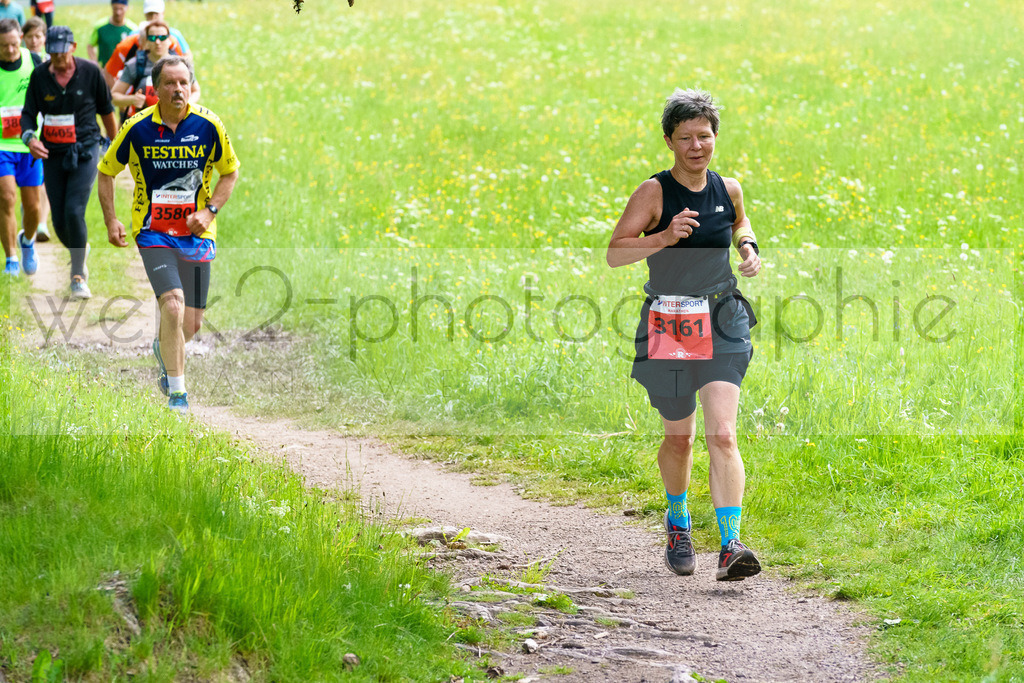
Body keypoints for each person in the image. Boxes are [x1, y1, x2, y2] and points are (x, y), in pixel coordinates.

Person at [606, 88, 763, 582]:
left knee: (723, 432)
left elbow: (740, 220)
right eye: (685, 138)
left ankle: (731, 543)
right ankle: (677, 521)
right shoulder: (653, 193)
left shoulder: (728, 187)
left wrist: (748, 245)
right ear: (670, 142)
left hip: (722, 318)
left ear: (715, 137)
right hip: (670, 320)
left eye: (705, 136)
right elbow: (616, 252)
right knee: (680, 439)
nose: (697, 146)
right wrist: (663, 237)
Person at [98, 56, 239, 414]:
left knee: (190, 322)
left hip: (198, 233)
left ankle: (164, 350)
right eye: (170, 83)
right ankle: (178, 395)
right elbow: (106, 171)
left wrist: (209, 212)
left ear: (191, 86)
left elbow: (230, 173)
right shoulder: (137, 127)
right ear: (154, 90)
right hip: (153, 231)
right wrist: (112, 219)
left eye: (184, 83)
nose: (178, 89)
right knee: (172, 306)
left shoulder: (208, 124)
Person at [21, 25, 116, 299]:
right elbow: (28, 113)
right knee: (60, 221)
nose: (57, 59)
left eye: (61, 53)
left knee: (75, 210)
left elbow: (107, 111)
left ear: (72, 48)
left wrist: (116, 148)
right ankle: (79, 248)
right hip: (51, 154)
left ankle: (77, 276)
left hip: (85, 150)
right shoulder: (40, 75)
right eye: (52, 53)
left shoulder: (90, 72)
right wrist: (30, 139)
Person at [0, 18, 42, 276]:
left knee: (33, 206)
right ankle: (11, 259)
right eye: (4, 46)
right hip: (2, 144)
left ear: (21, 40)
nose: (11, 50)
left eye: (15, 44)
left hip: (30, 143)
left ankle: (27, 241)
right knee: (6, 198)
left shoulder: (35, 61)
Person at [111, 20, 199, 118]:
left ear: (169, 40)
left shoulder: (182, 65)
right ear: (147, 41)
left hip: (176, 121)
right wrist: (132, 99)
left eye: (162, 37)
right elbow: (114, 96)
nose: (157, 42)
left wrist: (186, 104)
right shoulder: (135, 65)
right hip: (143, 124)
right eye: (152, 38)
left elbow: (196, 91)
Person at [103, 0, 189, 85]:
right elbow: (109, 72)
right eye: (151, 37)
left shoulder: (172, 38)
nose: (157, 41)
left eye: (156, 14)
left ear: (163, 13)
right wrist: (118, 95)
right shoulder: (128, 42)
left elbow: (186, 60)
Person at [18, 16, 49, 243]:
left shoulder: (52, 61)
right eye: (30, 37)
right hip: (20, 127)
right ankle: (29, 212)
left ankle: (41, 223)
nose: (34, 41)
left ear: (45, 38)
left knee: (45, 178)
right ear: (22, 38)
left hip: (46, 126)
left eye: (38, 36)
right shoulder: (16, 60)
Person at [87, 0, 136, 88]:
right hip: (104, 71)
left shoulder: (132, 29)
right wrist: (96, 65)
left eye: (121, 9)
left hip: (124, 74)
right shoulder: (100, 26)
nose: (118, 12)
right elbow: (90, 46)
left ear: (127, 8)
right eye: (115, 9)